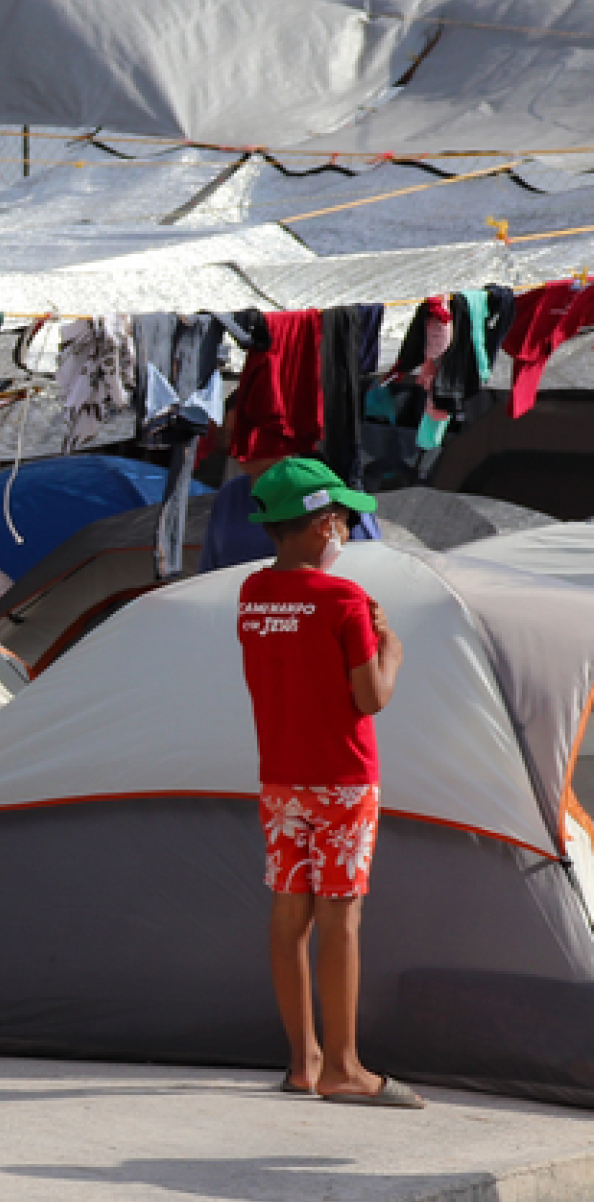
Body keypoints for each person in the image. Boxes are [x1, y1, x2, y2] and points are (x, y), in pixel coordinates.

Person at [234, 458, 418, 1108]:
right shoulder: (343, 600)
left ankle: (302, 1062)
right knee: (341, 916)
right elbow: (368, 699)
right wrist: (389, 649)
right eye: (338, 517)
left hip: (280, 779)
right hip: (342, 780)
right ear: (319, 524)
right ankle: (345, 1067)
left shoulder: (253, 594)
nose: (344, 527)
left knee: (290, 913)